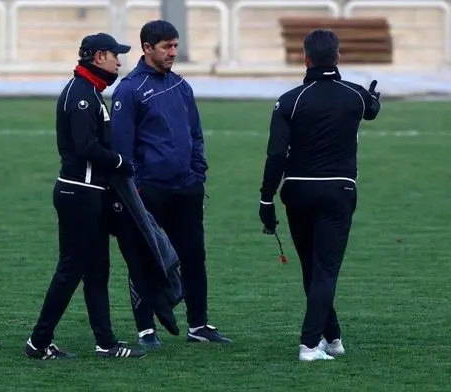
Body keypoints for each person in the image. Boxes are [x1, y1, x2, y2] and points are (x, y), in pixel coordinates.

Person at [258, 29, 381, 361]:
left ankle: (332, 337)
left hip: (297, 190)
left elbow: (275, 155)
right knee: (325, 270)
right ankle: (309, 345)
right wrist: (375, 98)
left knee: (312, 269)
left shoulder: (289, 100)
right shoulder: (354, 95)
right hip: (338, 191)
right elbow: (372, 110)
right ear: (338, 57)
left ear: (306, 59)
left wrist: (266, 199)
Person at [24, 32, 146, 360]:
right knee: (70, 270)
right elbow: (85, 146)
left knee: (96, 271)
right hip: (79, 193)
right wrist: (119, 162)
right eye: (115, 55)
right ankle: (38, 342)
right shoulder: (82, 94)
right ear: (98, 56)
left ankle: (106, 343)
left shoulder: (89, 91)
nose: (119, 62)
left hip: (88, 193)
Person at [110, 19, 231, 348]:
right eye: (167, 47)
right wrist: (136, 188)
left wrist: (198, 175)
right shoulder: (130, 90)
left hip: (186, 188)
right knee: (145, 257)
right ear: (147, 48)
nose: (173, 52)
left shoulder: (181, 86)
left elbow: (196, 134)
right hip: (149, 191)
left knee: (194, 256)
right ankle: (145, 329)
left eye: (175, 46)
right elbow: (122, 148)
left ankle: (198, 325)